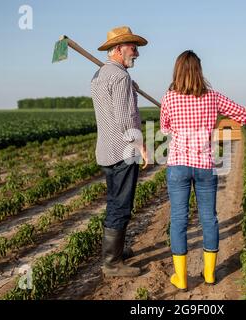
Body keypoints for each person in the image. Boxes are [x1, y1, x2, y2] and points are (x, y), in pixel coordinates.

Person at [160, 50, 246, 290]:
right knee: (209, 218)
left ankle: (181, 278)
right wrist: (219, 126)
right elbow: (243, 114)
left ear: (177, 71)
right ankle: (209, 274)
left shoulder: (168, 98)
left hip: (178, 165)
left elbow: (165, 128)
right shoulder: (213, 97)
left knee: (179, 219)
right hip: (204, 165)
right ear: (199, 71)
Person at [91, 26, 148, 277]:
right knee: (121, 205)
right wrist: (141, 146)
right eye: (132, 47)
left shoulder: (99, 75)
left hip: (105, 149)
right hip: (123, 151)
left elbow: (111, 105)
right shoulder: (120, 77)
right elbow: (125, 119)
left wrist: (129, 90)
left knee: (115, 202)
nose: (136, 53)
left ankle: (115, 253)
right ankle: (112, 263)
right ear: (118, 49)